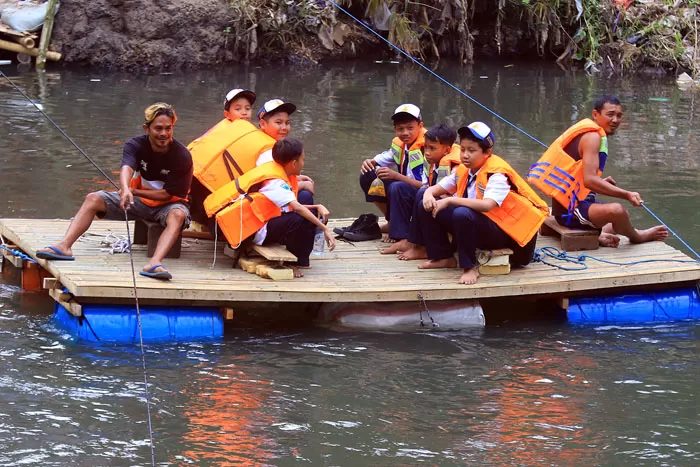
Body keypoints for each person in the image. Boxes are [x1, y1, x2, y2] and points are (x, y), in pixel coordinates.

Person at [36, 103, 193, 281]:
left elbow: (167, 195)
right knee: (93, 198)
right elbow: (127, 167)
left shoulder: (182, 155)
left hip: (170, 204)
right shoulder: (135, 144)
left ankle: (155, 263)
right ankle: (64, 246)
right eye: (158, 128)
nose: (164, 133)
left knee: (178, 215)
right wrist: (125, 189)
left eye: (168, 128)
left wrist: (134, 191)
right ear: (146, 128)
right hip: (140, 201)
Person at [408, 122, 549, 285]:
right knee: (426, 204)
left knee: (462, 213)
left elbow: (487, 205)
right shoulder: (463, 170)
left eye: (472, 150)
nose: (465, 155)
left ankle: (470, 268)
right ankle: (443, 257)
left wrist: (450, 200)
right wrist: (428, 194)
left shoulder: (496, 174)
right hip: (481, 226)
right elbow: (437, 188)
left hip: (507, 234)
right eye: (462, 149)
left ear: (487, 152)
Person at [527, 95, 668, 247]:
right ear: (595, 114)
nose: (615, 120)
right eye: (610, 114)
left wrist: (602, 183)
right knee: (618, 211)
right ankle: (638, 236)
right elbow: (589, 181)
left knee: (620, 220)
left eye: (619, 116)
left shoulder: (592, 134)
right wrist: (627, 194)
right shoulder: (593, 137)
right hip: (570, 212)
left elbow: (582, 178)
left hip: (568, 207)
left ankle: (601, 234)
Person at [204, 138, 335, 278]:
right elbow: (298, 209)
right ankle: (295, 262)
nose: (304, 163)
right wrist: (325, 228)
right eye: (303, 159)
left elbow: (289, 206)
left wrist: (317, 206)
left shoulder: (274, 169)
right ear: (294, 163)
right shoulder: (276, 183)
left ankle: (297, 257)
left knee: (309, 209)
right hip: (256, 230)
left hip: (260, 221)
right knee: (303, 218)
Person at [380, 123, 459, 254]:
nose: (427, 153)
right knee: (399, 188)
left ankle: (418, 244)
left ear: (446, 150)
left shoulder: (456, 167)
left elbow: (460, 195)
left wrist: (433, 195)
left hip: (449, 206)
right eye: (425, 148)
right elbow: (425, 184)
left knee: (422, 193)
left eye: (432, 148)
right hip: (432, 198)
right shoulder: (430, 161)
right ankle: (403, 238)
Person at [188, 88, 259, 227]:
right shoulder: (220, 132)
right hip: (208, 188)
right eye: (238, 109)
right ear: (227, 114)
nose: (244, 112)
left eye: (248, 108)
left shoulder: (252, 135)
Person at [359, 103, 427, 241]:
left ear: (420, 126)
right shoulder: (400, 145)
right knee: (369, 174)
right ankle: (392, 222)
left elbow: (428, 186)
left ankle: (400, 235)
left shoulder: (429, 147)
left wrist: (397, 176)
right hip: (405, 191)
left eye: (410, 128)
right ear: (395, 129)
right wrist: (369, 162)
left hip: (424, 195)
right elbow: (379, 160)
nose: (405, 133)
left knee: (397, 186)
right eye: (400, 129)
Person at [255, 98, 315, 205]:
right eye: (278, 122)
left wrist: (296, 178)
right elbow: (271, 189)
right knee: (305, 196)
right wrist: (302, 185)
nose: (284, 128)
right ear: (263, 124)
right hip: (263, 208)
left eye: (287, 123)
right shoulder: (266, 152)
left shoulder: (272, 144)